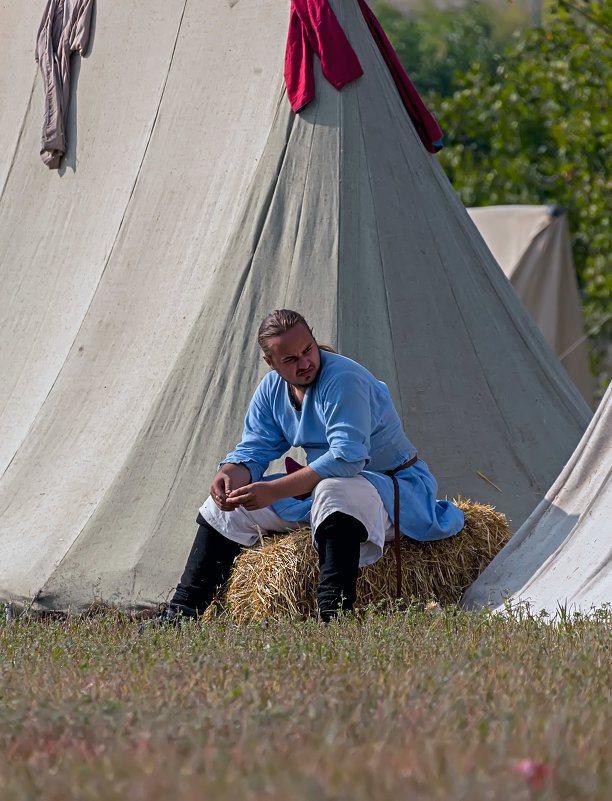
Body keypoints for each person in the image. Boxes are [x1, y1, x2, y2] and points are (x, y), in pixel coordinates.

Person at [149, 309, 464, 625]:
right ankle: (181, 613)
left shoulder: (344, 379)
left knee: (334, 489)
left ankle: (332, 618)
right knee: (225, 509)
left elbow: (348, 457)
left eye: (308, 350)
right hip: (327, 491)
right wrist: (229, 475)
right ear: (270, 363)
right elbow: (255, 449)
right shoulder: (271, 389)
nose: (304, 363)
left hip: (393, 490)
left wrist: (274, 490)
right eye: (290, 359)